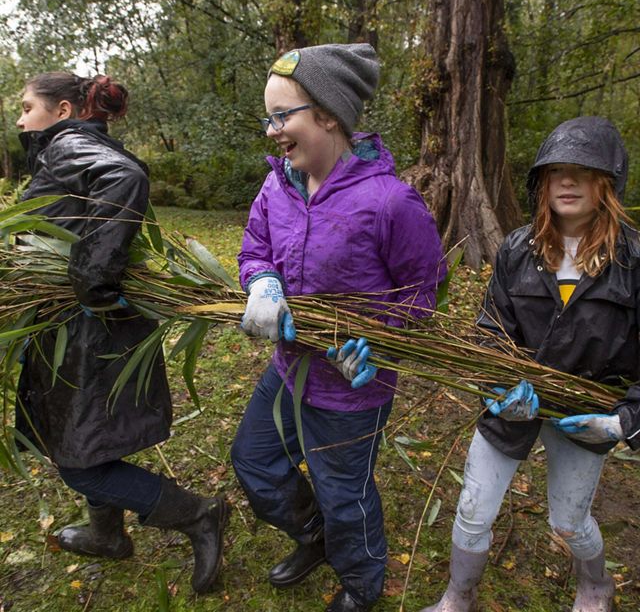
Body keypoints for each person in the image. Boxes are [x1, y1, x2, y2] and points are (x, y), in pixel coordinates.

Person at [231, 43, 446, 612]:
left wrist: (377, 341)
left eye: (284, 116)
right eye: (269, 118)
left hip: (351, 390)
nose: (273, 131)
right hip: (289, 367)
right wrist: (262, 283)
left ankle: (361, 585)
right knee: (254, 461)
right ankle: (315, 537)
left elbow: (422, 294)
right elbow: (255, 249)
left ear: (328, 114)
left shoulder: (390, 202)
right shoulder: (276, 186)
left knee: (345, 495)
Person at [15, 71, 228, 594]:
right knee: (85, 440)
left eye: (26, 107)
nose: (20, 119)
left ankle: (198, 515)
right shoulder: (75, 144)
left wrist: (91, 281)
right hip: (80, 328)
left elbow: (124, 180)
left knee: (80, 463)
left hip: (87, 330)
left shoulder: (67, 144)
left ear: (63, 110)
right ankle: (107, 536)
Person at [420, 116, 640, 612]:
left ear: (606, 182)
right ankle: (459, 596)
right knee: (474, 509)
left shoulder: (633, 260)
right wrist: (499, 388)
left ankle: (596, 586)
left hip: (585, 411)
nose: (566, 182)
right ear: (541, 182)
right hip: (514, 406)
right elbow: (491, 330)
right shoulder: (517, 250)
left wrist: (623, 422)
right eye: (556, 171)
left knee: (568, 520)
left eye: (581, 172)